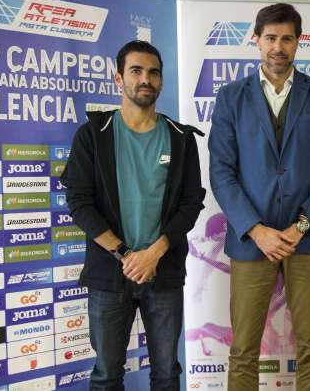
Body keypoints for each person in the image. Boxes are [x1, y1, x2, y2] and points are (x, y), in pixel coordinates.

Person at [208, 3, 310, 391]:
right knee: (243, 350)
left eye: (287, 38)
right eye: (270, 38)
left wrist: (301, 226)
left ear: (298, 42)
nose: (278, 47)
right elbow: (221, 172)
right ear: (256, 40)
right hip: (251, 241)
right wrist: (257, 230)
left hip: (306, 239)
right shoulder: (231, 97)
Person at [61, 40, 206, 391]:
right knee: (106, 375)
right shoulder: (93, 136)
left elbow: (190, 204)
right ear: (118, 78)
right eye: (136, 71)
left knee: (167, 373)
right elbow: (79, 203)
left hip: (163, 271)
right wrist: (126, 255)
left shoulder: (181, 138)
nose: (145, 79)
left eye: (153, 73)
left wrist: (154, 253)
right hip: (110, 273)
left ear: (161, 81)